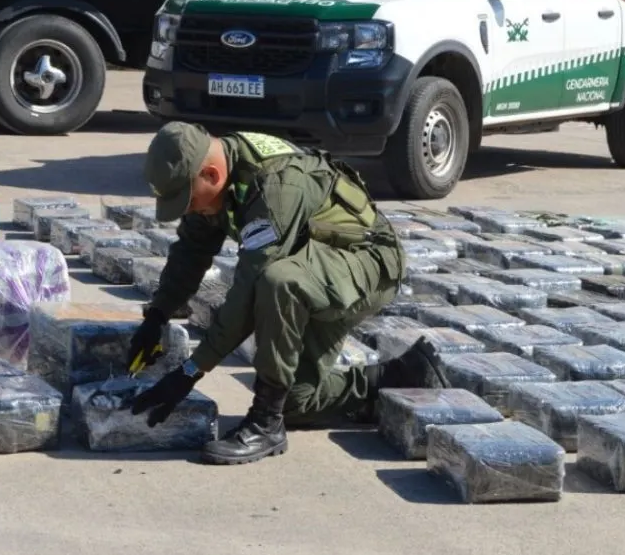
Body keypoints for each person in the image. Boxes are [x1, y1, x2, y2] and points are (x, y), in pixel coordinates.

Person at [126, 122, 446, 465]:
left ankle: (265, 424)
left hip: (365, 263)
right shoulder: (219, 178)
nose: (188, 210)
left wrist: (191, 371)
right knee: (294, 400)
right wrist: (158, 315)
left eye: (188, 201)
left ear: (211, 174)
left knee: (276, 282)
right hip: (315, 264)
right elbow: (192, 250)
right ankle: (402, 375)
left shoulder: (276, 186)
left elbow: (248, 292)